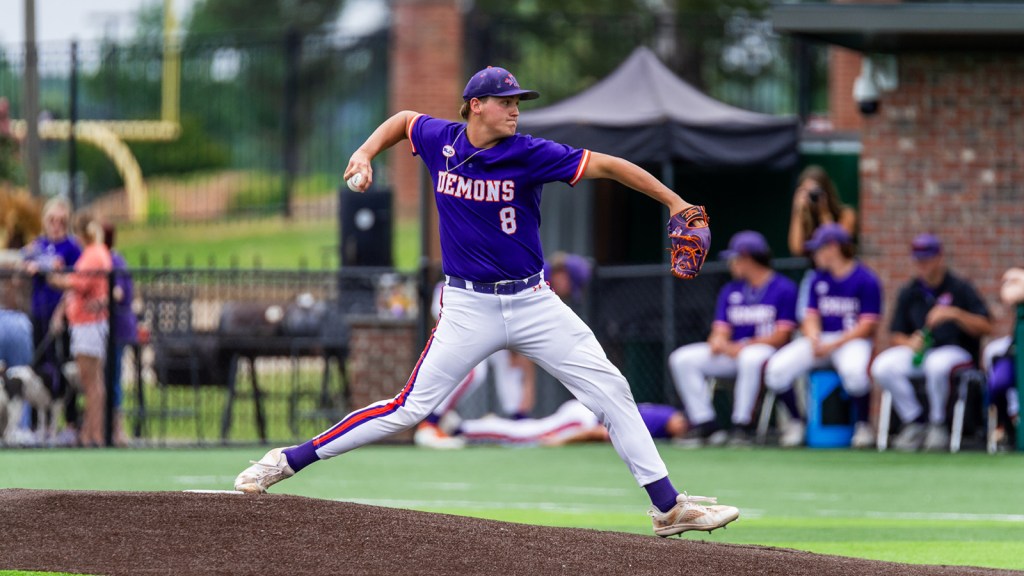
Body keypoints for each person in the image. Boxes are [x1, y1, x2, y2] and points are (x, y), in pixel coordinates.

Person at [235, 65, 738, 536]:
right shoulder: (441, 141)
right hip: (468, 307)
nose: (516, 109)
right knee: (409, 410)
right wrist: (365, 152)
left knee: (612, 392)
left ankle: (669, 507)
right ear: (476, 105)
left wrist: (677, 203)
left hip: (534, 303)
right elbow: (403, 120)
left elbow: (607, 165)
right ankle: (286, 460)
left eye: (518, 101)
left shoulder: (530, 152)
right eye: (506, 101)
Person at [669, 231, 797, 447]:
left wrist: (744, 345)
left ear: (747, 258)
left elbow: (782, 335)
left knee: (749, 356)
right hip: (734, 353)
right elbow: (720, 329)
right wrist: (718, 340)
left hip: (766, 353)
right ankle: (706, 424)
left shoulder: (783, 288)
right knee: (682, 358)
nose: (731, 264)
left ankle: (742, 426)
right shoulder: (731, 290)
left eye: (734, 259)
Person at [764, 223, 881, 449]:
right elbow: (810, 315)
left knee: (855, 373)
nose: (814, 254)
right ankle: (797, 422)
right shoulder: (818, 278)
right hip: (822, 340)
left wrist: (834, 343)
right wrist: (813, 335)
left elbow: (868, 325)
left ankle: (863, 425)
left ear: (834, 248)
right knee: (776, 369)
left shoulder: (866, 279)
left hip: (851, 340)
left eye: (819, 249)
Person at [871, 234, 992, 452]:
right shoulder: (910, 291)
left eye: (926, 259)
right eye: (918, 259)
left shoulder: (959, 288)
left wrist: (954, 314)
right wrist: (910, 342)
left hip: (956, 352)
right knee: (883, 366)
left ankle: (938, 424)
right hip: (922, 353)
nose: (922, 264)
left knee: (937, 365)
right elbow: (895, 333)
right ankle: (915, 420)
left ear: (939, 257)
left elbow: (986, 326)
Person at [47, 212, 112, 447]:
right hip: (89, 322)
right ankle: (94, 432)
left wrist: (55, 279)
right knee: (95, 381)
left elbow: (81, 283)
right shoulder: (98, 251)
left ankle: (92, 434)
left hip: (88, 323)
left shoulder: (93, 254)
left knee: (89, 381)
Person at [21, 197, 81, 441]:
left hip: (63, 316)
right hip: (39, 312)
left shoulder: (72, 248)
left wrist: (62, 312)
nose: (56, 225)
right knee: (39, 367)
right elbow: (25, 258)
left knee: (63, 367)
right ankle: (37, 424)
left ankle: (69, 422)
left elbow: (76, 283)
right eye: (52, 220)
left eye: (61, 221)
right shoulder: (39, 246)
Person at [456, 399, 688, 447]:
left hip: (583, 411)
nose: (682, 429)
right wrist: (562, 440)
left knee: (528, 431)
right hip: (582, 418)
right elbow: (596, 432)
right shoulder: (659, 420)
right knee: (524, 435)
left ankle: (483, 425)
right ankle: (463, 428)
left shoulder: (664, 413)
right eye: (683, 424)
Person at [104, 223, 138, 447]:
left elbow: (117, 292)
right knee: (111, 379)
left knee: (114, 379)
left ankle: (117, 430)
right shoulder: (116, 258)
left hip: (118, 328)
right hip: (118, 327)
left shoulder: (112, 260)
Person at [982, 267, 1023, 450]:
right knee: (998, 382)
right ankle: (1006, 426)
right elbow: (1010, 294)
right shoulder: (1018, 276)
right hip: (1017, 350)